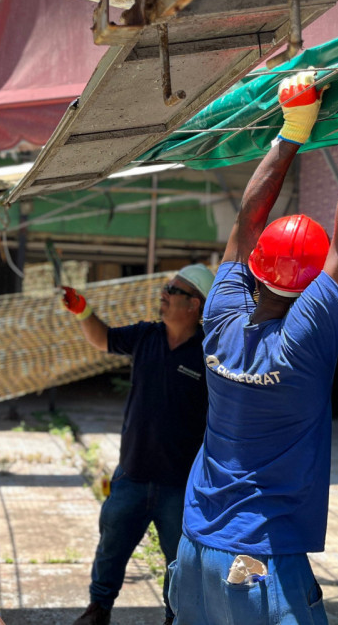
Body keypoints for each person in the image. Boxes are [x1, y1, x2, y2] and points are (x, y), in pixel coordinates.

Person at [166, 47, 338, 625]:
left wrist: (293, 126)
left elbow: (246, 223)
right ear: (311, 284)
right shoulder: (305, 340)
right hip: (259, 560)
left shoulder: (220, 313)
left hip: (193, 550)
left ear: (259, 269)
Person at [64, 264, 215, 625]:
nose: (162, 294)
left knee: (179, 561)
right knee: (111, 548)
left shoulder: (209, 353)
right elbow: (103, 339)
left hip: (179, 485)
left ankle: (174, 617)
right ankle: (98, 610)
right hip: (131, 475)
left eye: (172, 290)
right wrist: (83, 311)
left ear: (194, 304)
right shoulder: (146, 336)